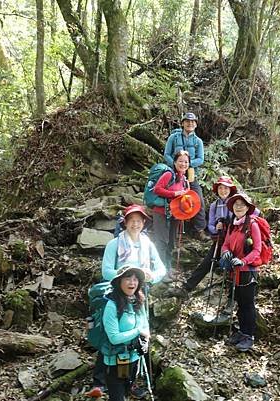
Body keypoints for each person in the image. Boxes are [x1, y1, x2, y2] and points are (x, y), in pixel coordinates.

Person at [88, 204, 166, 398]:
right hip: (116, 293)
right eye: (132, 220)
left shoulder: (147, 243)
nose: (136, 224)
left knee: (138, 337)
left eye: (139, 221)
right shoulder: (114, 244)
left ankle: (130, 380)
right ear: (125, 222)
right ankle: (100, 380)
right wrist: (127, 274)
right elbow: (106, 272)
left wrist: (150, 276)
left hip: (139, 294)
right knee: (112, 335)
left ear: (144, 223)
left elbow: (162, 269)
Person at [219, 192, 262, 352]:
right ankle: (241, 332)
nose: (238, 207)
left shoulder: (252, 226)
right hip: (234, 271)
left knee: (247, 304)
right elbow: (225, 245)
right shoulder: (233, 225)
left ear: (248, 208)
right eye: (236, 204)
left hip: (248, 272)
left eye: (242, 205)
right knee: (239, 301)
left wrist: (243, 261)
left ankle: (248, 336)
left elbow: (257, 250)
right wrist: (226, 253)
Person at [102, 265, 151, 401]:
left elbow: (145, 324)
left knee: (128, 384)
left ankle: (130, 386)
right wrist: (137, 331)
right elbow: (114, 338)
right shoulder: (112, 306)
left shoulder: (138, 301)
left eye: (135, 279)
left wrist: (145, 339)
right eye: (128, 278)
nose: (132, 282)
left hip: (134, 356)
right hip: (115, 361)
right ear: (119, 282)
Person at [163, 112, 208, 241]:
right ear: (182, 123)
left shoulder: (198, 141)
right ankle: (173, 230)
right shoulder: (174, 138)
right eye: (187, 121)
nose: (190, 124)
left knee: (198, 199)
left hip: (191, 174)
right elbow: (166, 154)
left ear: (196, 124)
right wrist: (177, 164)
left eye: (193, 122)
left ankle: (199, 229)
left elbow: (201, 159)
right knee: (173, 198)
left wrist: (187, 164)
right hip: (173, 174)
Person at [152, 150, 191, 279]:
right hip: (161, 213)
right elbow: (157, 189)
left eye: (186, 162)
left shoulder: (185, 180)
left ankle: (168, 269)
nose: (183, 164)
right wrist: (175, 194)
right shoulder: (169, 175)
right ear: (174, 162)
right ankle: (160, 272)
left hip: (175, 215)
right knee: (161, 242)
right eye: (180, 161)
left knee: (171, 243)